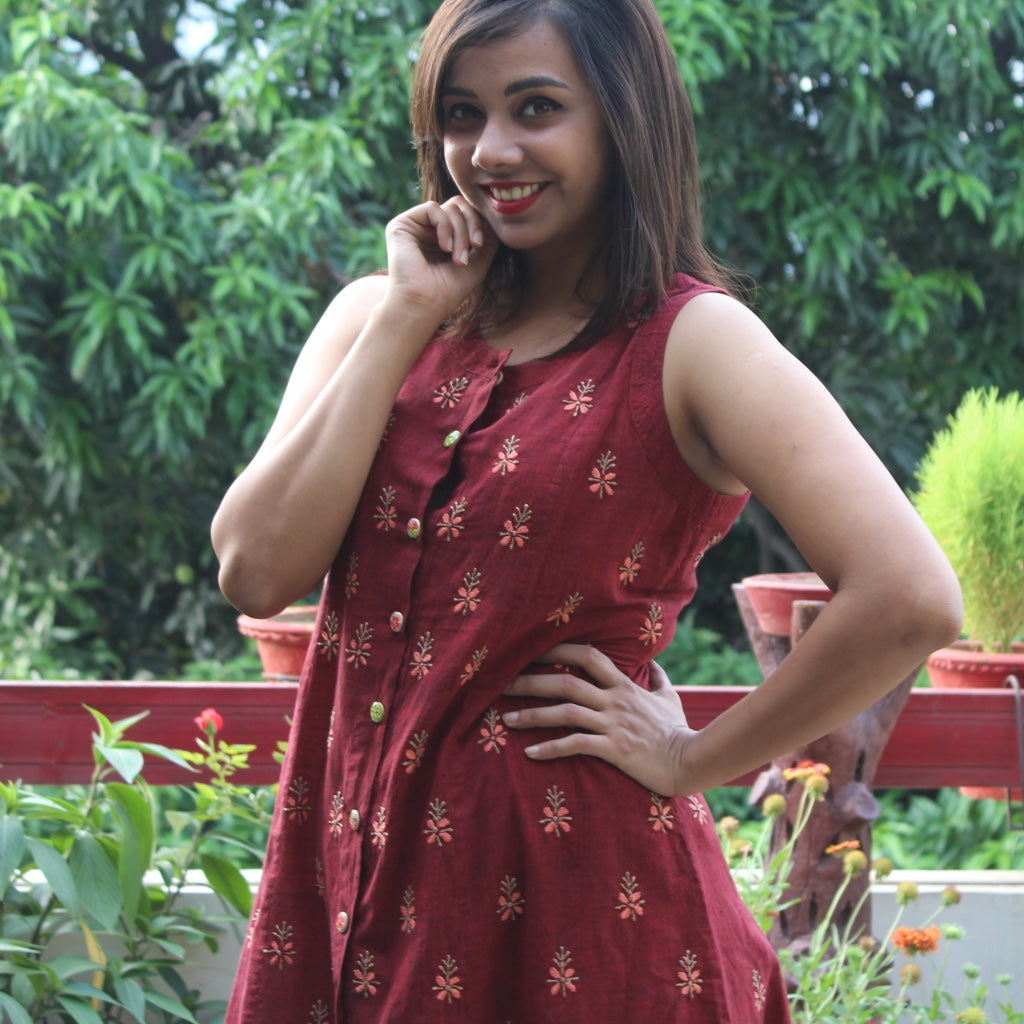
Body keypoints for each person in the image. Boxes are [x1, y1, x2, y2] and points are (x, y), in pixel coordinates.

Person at [211, 0, 962, 1019]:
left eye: (536, 108)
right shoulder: (374, 317)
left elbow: (910, 597)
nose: (490, 150)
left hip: (580, 925)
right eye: (462, 114)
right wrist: (404, 318)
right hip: (341, 891)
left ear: (622, 117)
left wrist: (696, 754)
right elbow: (255, 569)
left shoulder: (693, 343)